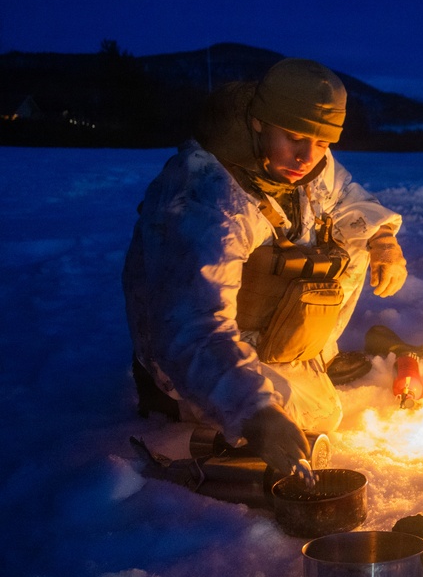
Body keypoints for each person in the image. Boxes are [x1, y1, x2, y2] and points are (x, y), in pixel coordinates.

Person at [122, 58, 407, 477]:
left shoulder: (305, 163)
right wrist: (255, 412)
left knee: (354, 234)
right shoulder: (207, 197)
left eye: (323, 144)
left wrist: (383, 240)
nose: (308, 157)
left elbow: (347, 196)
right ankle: (190, 402)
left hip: (262, 336)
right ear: (259, 123)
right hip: (187, 357)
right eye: (294, 137)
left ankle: (307, 356)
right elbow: (191, 324)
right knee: (311, 419)